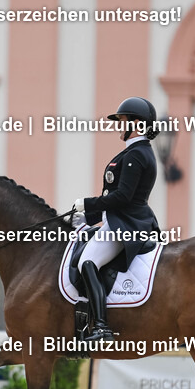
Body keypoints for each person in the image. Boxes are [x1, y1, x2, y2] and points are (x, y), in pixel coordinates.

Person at [71, 97, 161, 343]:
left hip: (127, 225)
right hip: (122, 220)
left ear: (137, 124)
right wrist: (88, 217)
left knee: (87, 262)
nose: (119, 127)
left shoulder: (136, 155)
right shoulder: (136, 152)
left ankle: (101, 327)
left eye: (123, 121)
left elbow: (122, 197)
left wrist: (87, 203)